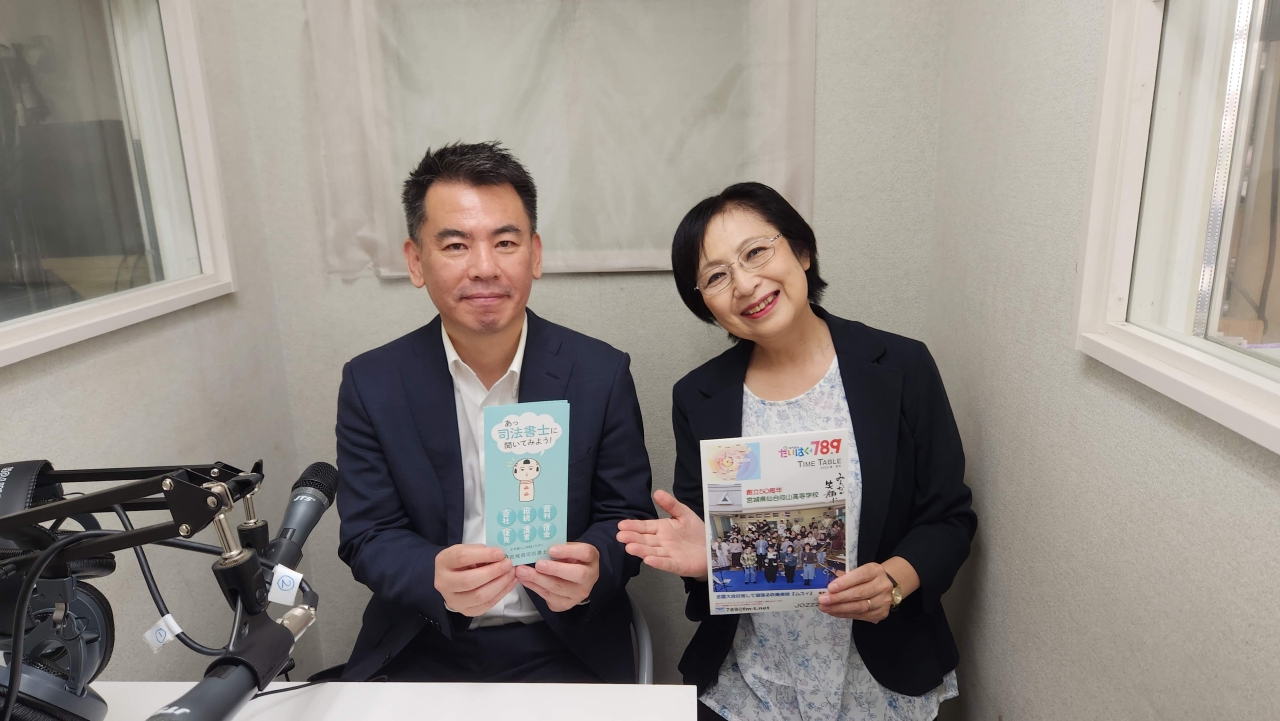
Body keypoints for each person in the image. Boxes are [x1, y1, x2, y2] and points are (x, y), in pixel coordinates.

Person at [616, 182, 977, 720]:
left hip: (883, 673)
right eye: (716, 276)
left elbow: (948, 517)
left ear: (802, 252)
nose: (745, 284)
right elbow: (711, 553)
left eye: (756, 252)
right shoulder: (699, 397)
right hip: (751, 682)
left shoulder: (902, 367)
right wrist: (706, 563)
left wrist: (895, 581)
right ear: (705, 304)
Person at [335, 141, 656, 684]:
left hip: (565, 645)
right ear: (415, 261)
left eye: (505, 242)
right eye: (456, 245)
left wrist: (596, 564)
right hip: (425, 639)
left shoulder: (600, 374)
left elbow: (626, 516)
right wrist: (431, 574)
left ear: (535, 254)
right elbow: (368, 534)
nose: (484, 268)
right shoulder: (372, 383)